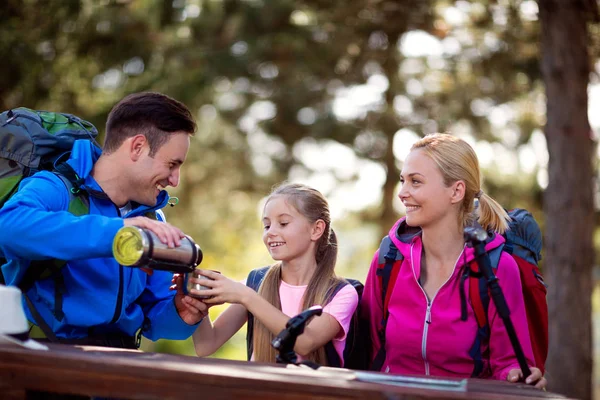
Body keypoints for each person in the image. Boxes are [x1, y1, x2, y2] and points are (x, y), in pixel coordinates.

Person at [0, 92, 207, 348]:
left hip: (116, 367)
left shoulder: (151, 217)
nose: (175, 180)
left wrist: (181, 312)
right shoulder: (57, 188)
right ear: (138, 147)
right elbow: (8, 228)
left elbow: (152, 318)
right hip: (44, 362)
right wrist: (116, 232)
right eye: (172, 164)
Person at [361, 134, 546, 388]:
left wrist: (515, 374)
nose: (402, 193)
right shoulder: (388, 260)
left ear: (456, 191)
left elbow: (508, 363)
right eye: (403, 181)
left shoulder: (496, 267)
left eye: (416, 182)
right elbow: (367, 350)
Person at [188, 183, 358, 366]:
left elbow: (305, 342)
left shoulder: (341, 293)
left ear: (316, 229)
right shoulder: (256, 283)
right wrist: (200, 307)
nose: (271, 233)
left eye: (283, 223)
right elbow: (206, 345)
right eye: (267, 225)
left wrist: (245, 296)